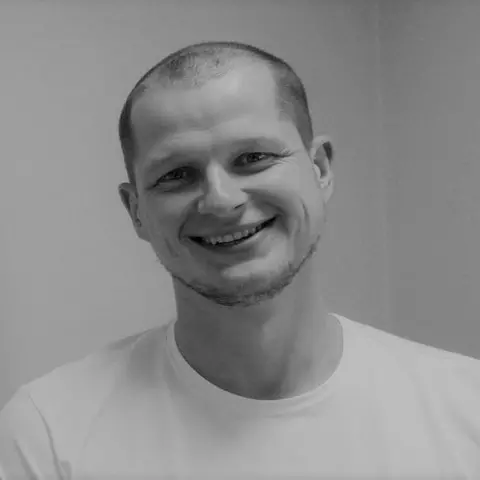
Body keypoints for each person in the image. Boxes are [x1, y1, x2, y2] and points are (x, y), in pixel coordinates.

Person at [1, 41, 479, 479]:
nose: (221, 200)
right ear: (136, 211)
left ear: (319, 169)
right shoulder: (48, 436)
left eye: (253, 157)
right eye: (176, 174)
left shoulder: (465, 409)